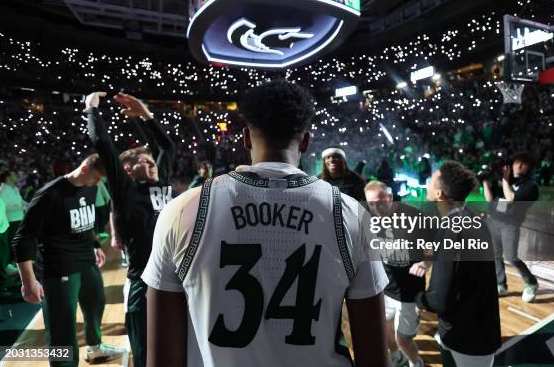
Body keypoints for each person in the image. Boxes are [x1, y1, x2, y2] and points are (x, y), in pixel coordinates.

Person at [142, 80, 389, 367]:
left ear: (246, 139)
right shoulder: (351, 214)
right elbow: (374, 356)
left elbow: (162, 358)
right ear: (306, 142)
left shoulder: (182, 210)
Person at [85, 91, 175, 367]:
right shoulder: (126, 190)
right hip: (144, 283)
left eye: (151, 161)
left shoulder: (162, 182)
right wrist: (91, 110)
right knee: (145, 354)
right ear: (127, 169)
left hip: (174, 282)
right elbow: (104, 145)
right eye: (144, 162)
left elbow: (166, 148)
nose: (151, 164)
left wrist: (146, 114)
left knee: (175, 353)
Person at [11, 154, 127, 366]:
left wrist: (93, 245)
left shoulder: (90, 187)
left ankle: (95, 348)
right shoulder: (49, 194)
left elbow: (84, 222)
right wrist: (28, 282)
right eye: (95, 177)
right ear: (83, 169)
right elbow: (22, 239)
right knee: (61, 327)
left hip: (86, 261)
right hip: (59, 268)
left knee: (96, 304)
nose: (97, 183)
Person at [416, 161, 501, 367]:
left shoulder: (452, 230)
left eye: (431, 182)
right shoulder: (474, 219)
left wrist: (420, 301)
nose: (427, 185)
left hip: (463, 337)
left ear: (439, 195)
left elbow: (440, 299)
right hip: (483, 329)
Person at [364, 180, 426, 367]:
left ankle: (416, 363)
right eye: (371, 204)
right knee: (383, 329)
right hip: (386, 289)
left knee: (404, 340)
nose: (376, 207)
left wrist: (425, 262)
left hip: (409, 293)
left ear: (390, 198)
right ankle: (397, 356)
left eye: (380, 202)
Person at [482, 152, 539, 302]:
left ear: (529, 168)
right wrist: (485, 182)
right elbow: (489, 199)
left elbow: (511, 199)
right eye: (516, 163)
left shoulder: (530, 186)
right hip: (493, 220)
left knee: (511, 257)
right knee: (495, 255)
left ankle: (531, 282)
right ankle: (501, 284)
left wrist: (505, 180)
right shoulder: (505, 180)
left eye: (523, 164)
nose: (518, 166)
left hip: (510, 225)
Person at [0, 170, 26, 277]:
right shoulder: (2, 191)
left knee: (18, 242)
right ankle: (9, 265)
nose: (16, 176)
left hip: (20, 219)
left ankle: (14, 262)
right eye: (14, 175)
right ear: (8, 177)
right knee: (11, 243)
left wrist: (28, 205)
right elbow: (4, 207)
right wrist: (21, 207)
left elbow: (21, 201)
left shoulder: (15, 189)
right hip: (11, 221)